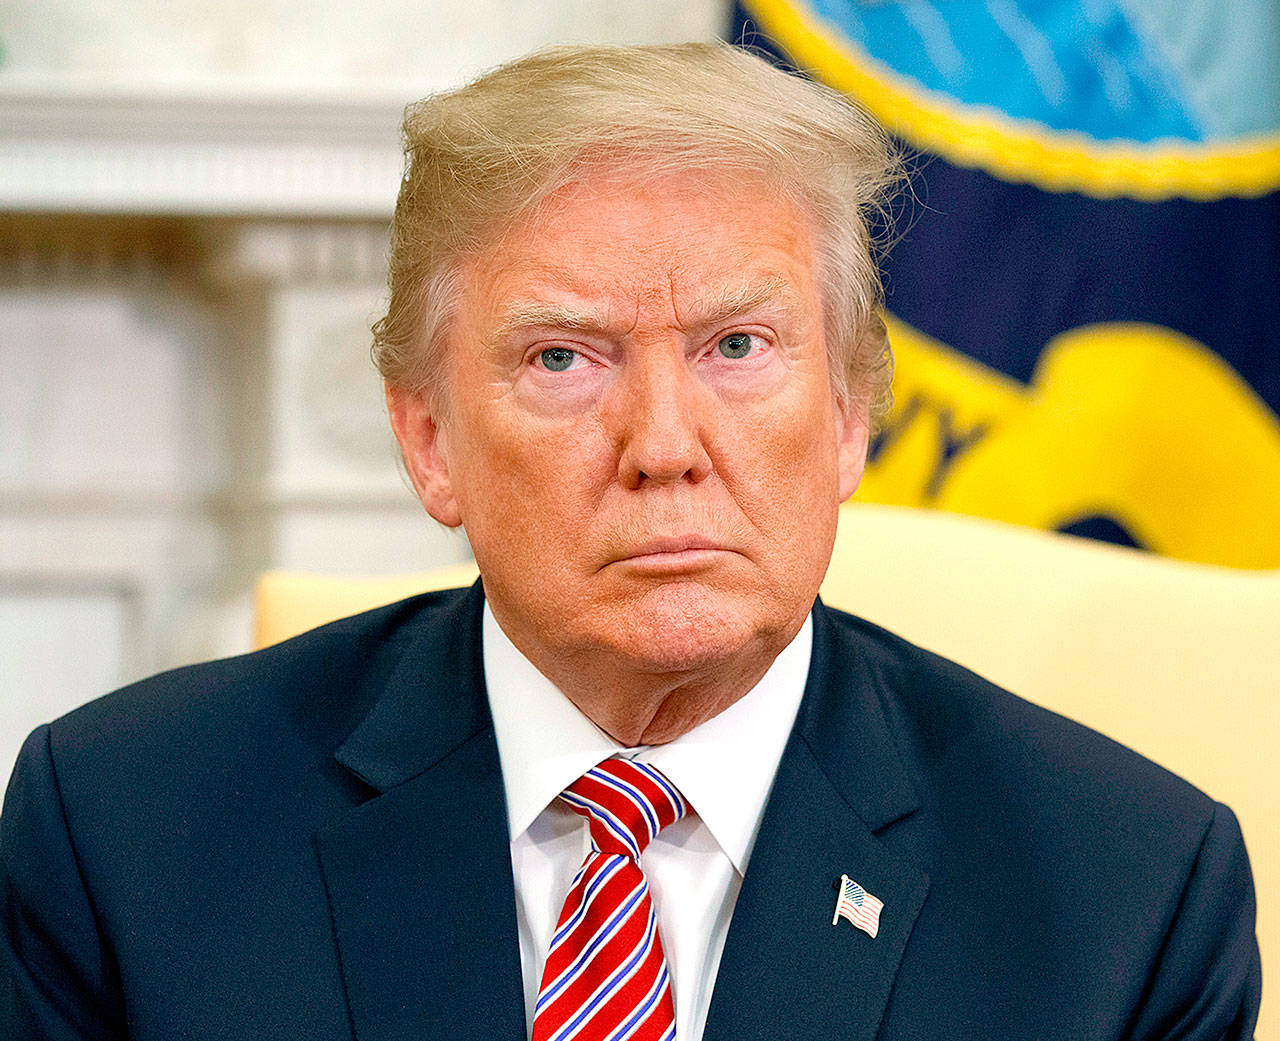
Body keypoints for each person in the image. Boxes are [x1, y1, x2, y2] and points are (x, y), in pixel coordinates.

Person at [0, 42, 1260, 1041]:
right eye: (562, 357)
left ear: (846, 419)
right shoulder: (126, 832)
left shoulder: (1120, 897)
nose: (664, 443)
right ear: (428, 439)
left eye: (736, 348)